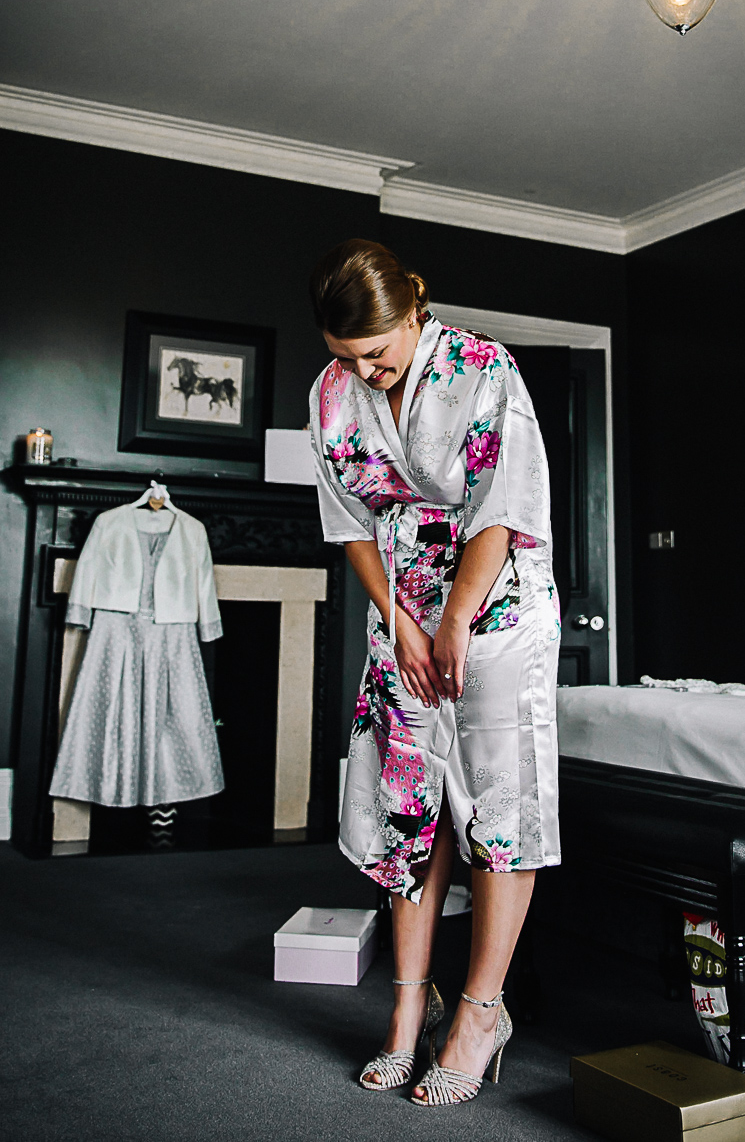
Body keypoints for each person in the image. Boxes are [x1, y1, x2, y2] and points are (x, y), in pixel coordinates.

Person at [308, 239, 560, 1107]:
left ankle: (481, 1014)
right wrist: (399, 621)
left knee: (497, 805)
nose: (365, 373)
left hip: (496, 608)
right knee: (406, 804)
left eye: (376, 353)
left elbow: (507, 505)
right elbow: (347, 520)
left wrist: (453, 619)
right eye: (347, 357)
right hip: (403, 612)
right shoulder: (332, 392)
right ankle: (408, 1012)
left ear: (415, 312)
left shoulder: (486, 370)